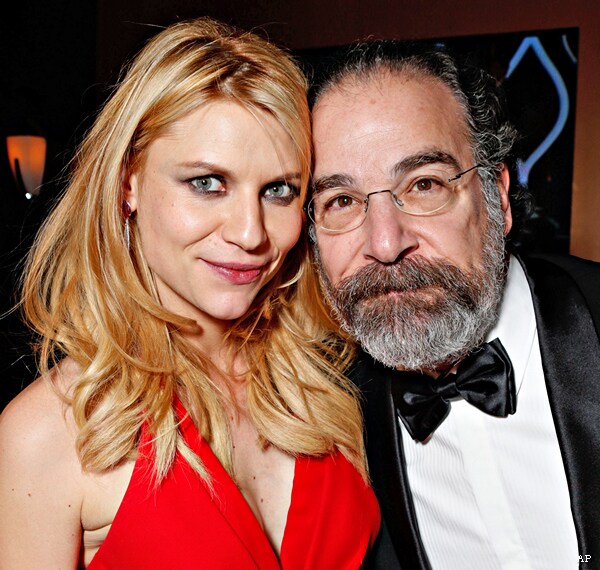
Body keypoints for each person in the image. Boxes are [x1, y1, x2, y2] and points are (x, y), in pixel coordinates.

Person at [0, 18, 380, 569]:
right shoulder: (48, 432)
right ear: (127, 182)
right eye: (207, 183)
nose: (250, 233)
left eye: (278, 190)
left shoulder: (327, 386)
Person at [307, 40, 600, 569]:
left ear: (498, 198)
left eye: (424, 185)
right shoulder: (325, 417)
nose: (386, 244)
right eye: (342, 201)